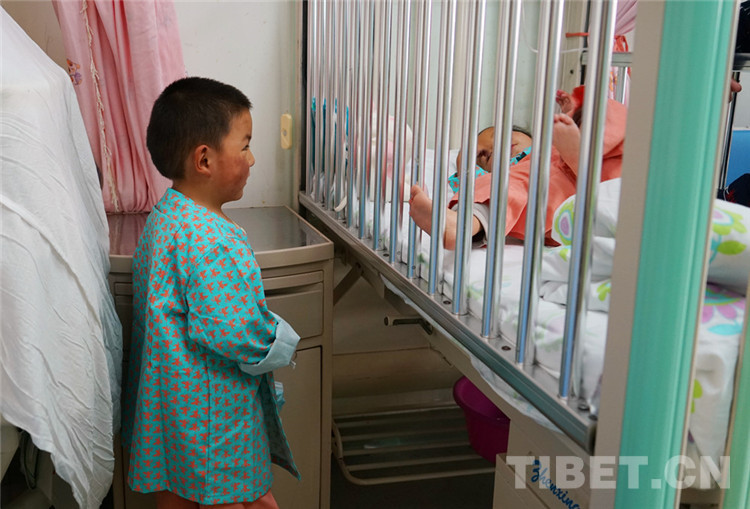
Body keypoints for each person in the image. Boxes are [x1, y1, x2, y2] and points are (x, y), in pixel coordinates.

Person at [121, 77, 300, 509]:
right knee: (239, 499)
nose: (252, 159)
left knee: (177, 496)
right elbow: (235, 331)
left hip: (171, 412)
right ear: (204, 159)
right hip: (213, 418)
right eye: (245, 146)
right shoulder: (212, 240)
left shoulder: (165, 217)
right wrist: (279, 341)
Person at [409, 86, 627, 249]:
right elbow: (472, 183)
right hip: (567, 208)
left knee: (610, 113)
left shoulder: (548, 144)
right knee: (502, 189)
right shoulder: (514, 173)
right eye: (483, 157)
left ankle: (585, 138)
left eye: (499, 137)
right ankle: (460, 225)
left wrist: (576, 111)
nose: (494, 148)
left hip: (615, 178)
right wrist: (465, 163)